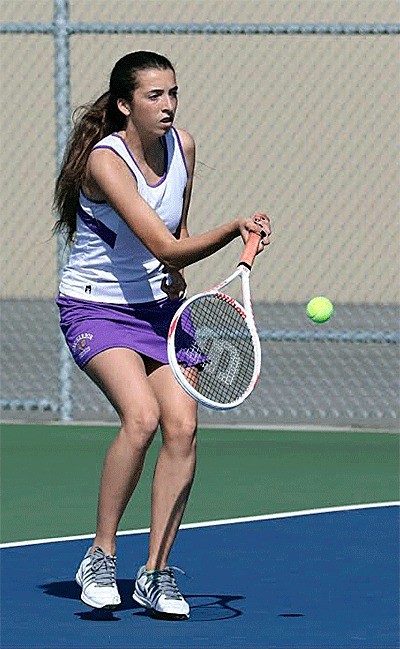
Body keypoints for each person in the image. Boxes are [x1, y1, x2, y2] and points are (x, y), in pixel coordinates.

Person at [54, 50, 271, 619]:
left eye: (173, 93)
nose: (169, 106)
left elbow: (176, 235)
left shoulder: (184, 147)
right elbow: (165, 245)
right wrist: (231, 229)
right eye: (154, 96)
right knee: (142, 417)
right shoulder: (106, 161)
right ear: (125, 104)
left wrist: (232, 249)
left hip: (160, 310)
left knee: (183, 424)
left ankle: (155, 572)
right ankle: (100, 555)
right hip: (95, 308)